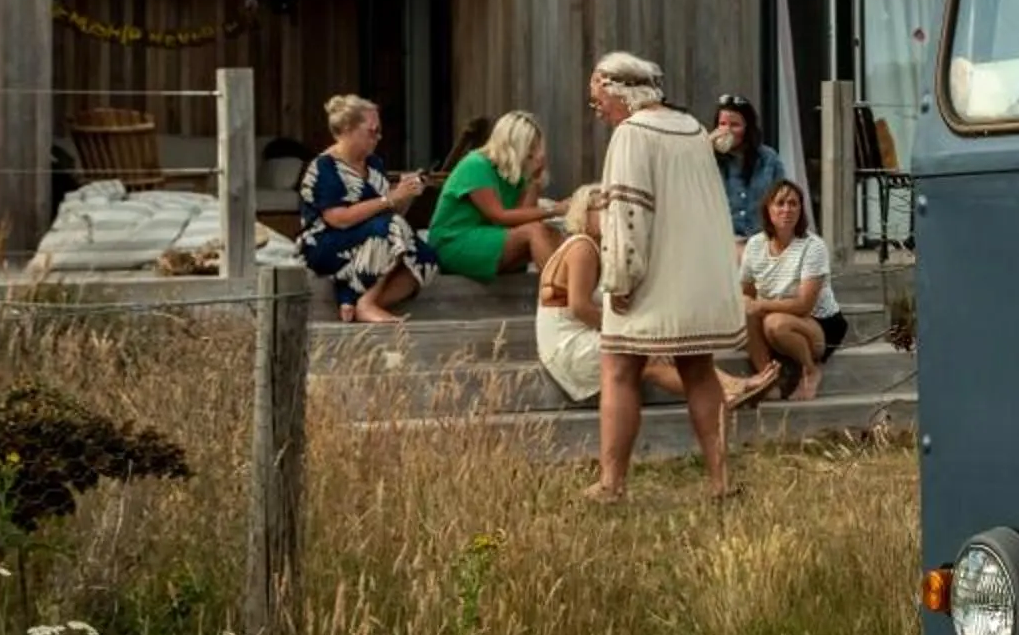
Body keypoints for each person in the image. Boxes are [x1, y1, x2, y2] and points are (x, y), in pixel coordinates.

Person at [587, 51, 746, 501]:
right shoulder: (692, 126)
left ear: (616, 87)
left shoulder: (631, 134)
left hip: (652, 280)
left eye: (596, 95)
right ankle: (721, 481)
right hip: (697, 278)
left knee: (618, 369)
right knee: (699, 372)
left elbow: (628, 214)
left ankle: (611, 483)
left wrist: (619, 281)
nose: (596, 106)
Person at [538, 184, 774, 411]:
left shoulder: (599, 250)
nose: (610, 216)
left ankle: (734, 385)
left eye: (612, 209)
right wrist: (626, 329)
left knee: (663, 340)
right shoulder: (582, 247)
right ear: (583, 214)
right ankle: (722, 393)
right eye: (601, 209)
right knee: (649, 356)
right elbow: (579, 308)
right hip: (568, 346)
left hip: (582, 336)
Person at [296, 93, 435, 322]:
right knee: (393, 228)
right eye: (372, 131)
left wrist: (405, 194)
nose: (378, 137)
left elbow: (390, 214)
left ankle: (359, 303)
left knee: (425, 256)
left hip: (370, 236)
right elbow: (338, 219)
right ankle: (365, 302)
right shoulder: (324, 167)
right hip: (326, 242)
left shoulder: (374, 163)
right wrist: (389, 199)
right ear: (348, 129)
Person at [739, 177, 845, 403]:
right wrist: (750, 306)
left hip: (819, 322)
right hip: (775, 316)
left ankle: (810, 370)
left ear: (801, 209)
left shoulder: (812, 246)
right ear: (768, 209)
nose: (787, 209)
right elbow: (746, 293)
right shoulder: (755, 244)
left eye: (793, 203)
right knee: (747, 312)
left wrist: (761, 305)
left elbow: (804, 304)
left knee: (775, 323)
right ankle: (767, 378)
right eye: (780, 203)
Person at [426, 110, 560, 281]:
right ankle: (557, 293)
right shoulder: (476, 165)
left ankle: (571, 290)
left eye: (536, 148)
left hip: (489, 239)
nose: (534, 154)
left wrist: (534, 179)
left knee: (552, 234)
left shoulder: (513, 173)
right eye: (530, 147)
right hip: (454, 242)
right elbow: (499, 217)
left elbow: (523, 218)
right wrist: (554, 210)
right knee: (535, 232)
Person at [711, 93, 793, 240]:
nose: (727, 130)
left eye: (735, 125)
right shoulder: (708, 158)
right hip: (722, 241)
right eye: (722, 124)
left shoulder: (768, 158)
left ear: (747, 128)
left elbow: (782, 198)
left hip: (761, 240)